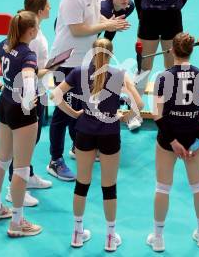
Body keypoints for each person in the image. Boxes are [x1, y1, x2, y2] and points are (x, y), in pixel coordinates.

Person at [51, 38, 143, 251]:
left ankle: (77, 233)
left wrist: (73, 113)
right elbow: (139, 103)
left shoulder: (78, 71)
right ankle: (110, 237)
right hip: (110, 133)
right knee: (109, 187)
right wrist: (124, 116)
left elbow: (55, 95)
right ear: (111, 54)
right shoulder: (119, 74)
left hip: (83, 132)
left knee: (82, 184)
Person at [47, 0, 130, 181]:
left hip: (84, 59)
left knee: (81, 105)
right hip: (65, 61)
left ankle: (77, 147)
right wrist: (106, 26)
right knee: (63, 111)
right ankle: (55, 160)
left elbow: (94, 17)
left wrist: (109, 22)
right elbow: (77, 30)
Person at [147, 33, 199, 252]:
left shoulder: (163, 77)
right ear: (191, 50)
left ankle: (158, 238)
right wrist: (197, 141)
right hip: (193, 136)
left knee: (162, 187)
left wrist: (172, 142)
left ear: (172, 50)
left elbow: (156, 114)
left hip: (169, 139)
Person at [0, 11, 42, 237]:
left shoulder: (6, 43)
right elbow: (28, 80)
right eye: (36, 27)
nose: (38, 30)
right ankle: (17, 222)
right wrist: (28, 102)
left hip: (4, 102)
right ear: (31, 31)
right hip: (21, 112)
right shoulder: (28, 54)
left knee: (1, 158)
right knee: (21, 167)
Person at [132, 0, 192, 130]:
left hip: (172, 19)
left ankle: (169, 109)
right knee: (144, 66)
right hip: (149, 18)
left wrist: (177, 6)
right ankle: (135, 112)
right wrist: (142, 14)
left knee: (172, 65)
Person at [5, 0, 53, 207]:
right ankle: (12, 188)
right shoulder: (31, 39)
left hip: (38, 92)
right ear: (41, 10)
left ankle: (28, 175)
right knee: (23, 144)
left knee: (32, 140)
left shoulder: (35, 31)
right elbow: (29, 73)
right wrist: (52, 68)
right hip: (29, 96)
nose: (51, 8)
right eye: (48, 5)